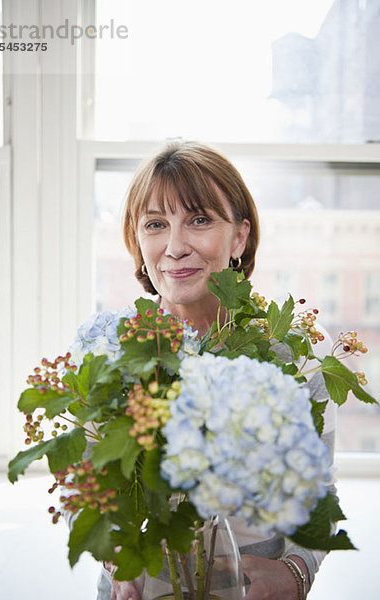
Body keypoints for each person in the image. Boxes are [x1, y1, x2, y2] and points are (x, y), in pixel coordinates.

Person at [91, 140, 336, 600]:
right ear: (138, 241)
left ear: (239, 237)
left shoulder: (290, 354)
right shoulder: (110, 350)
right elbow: (82, 484)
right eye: (156, 224)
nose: (176, 246)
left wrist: (298, 572)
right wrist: (115, 559)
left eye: (199, 220)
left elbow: (317, 490)